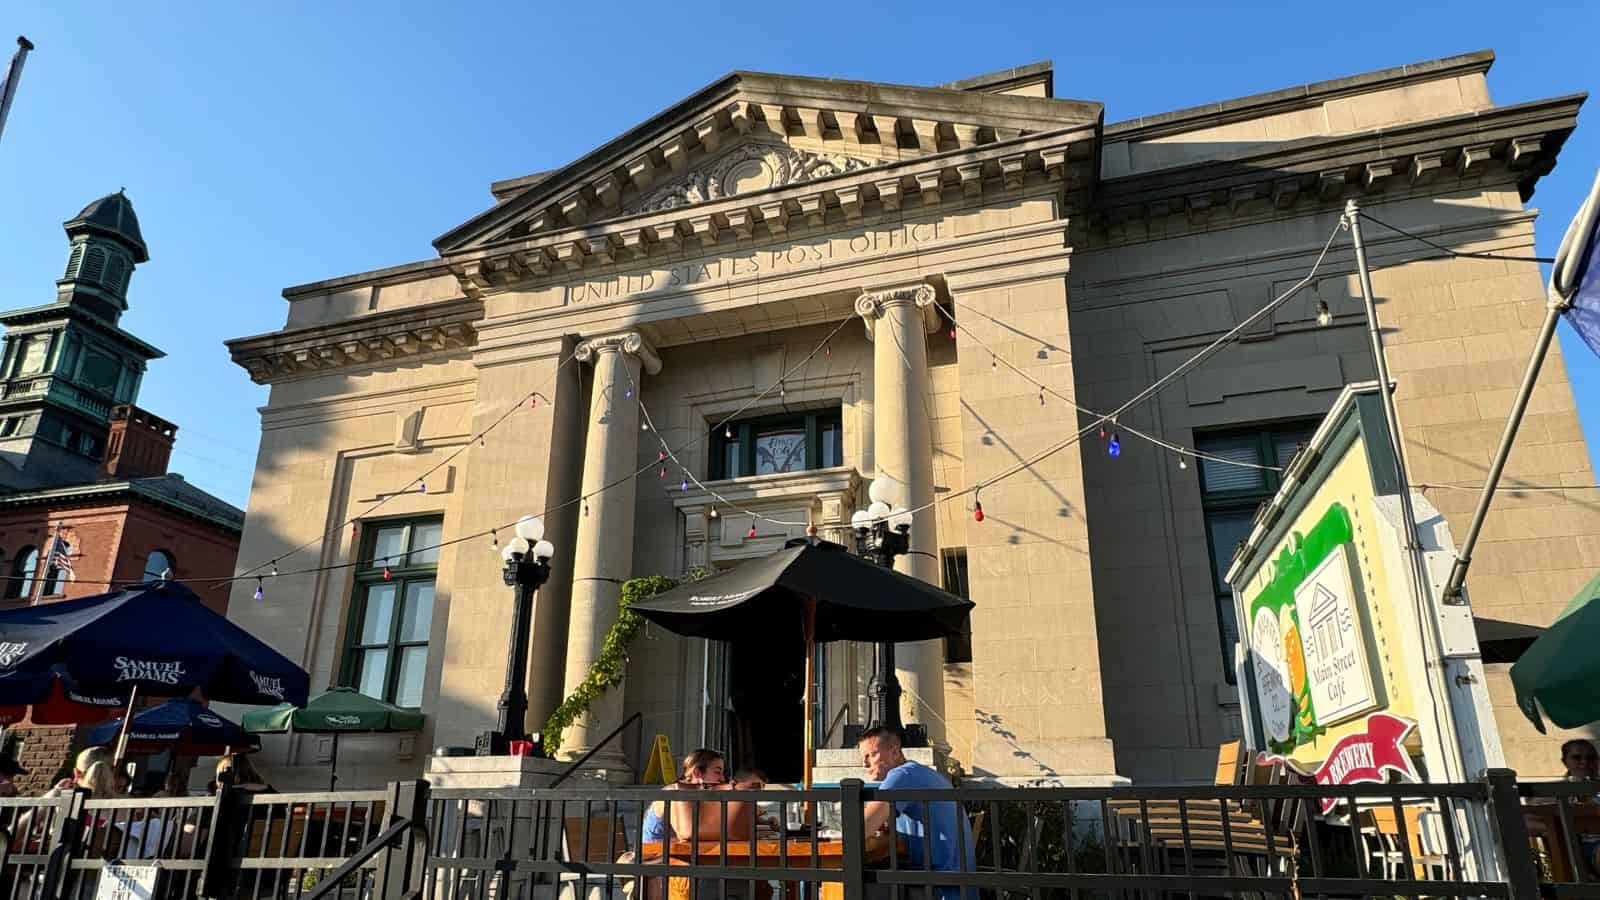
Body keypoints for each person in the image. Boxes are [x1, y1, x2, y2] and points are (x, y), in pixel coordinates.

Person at [858, 727, 975, 900]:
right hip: (958, 885)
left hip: (939, 887)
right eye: (863, 757)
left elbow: (859, 829)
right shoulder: (920, 773)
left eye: (871, 755)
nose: (864, 764)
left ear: (895, 752)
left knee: (855, 885)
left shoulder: (901, 776)